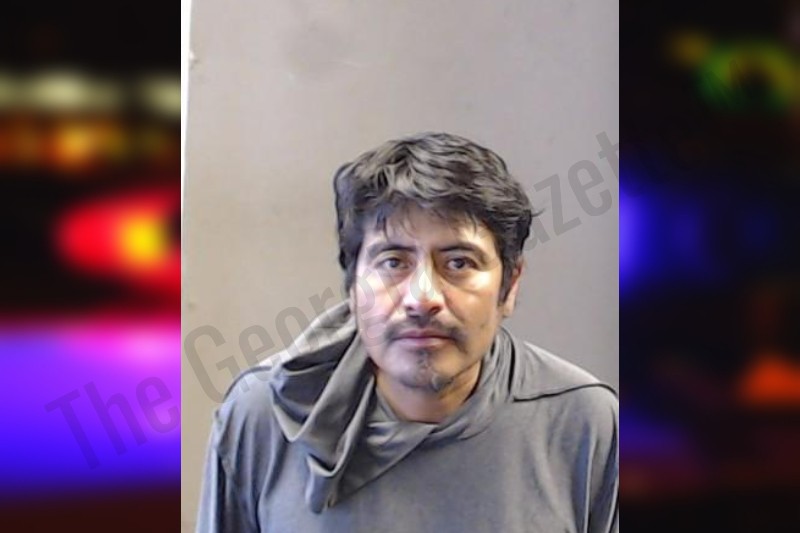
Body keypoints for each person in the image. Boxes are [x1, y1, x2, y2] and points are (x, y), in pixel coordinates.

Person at [196, 132, 618, 532]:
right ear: (353, 287)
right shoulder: (262, 415)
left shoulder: (585, 424)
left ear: (509, 286)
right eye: (393, 262)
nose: (422, 297)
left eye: (459, 262)